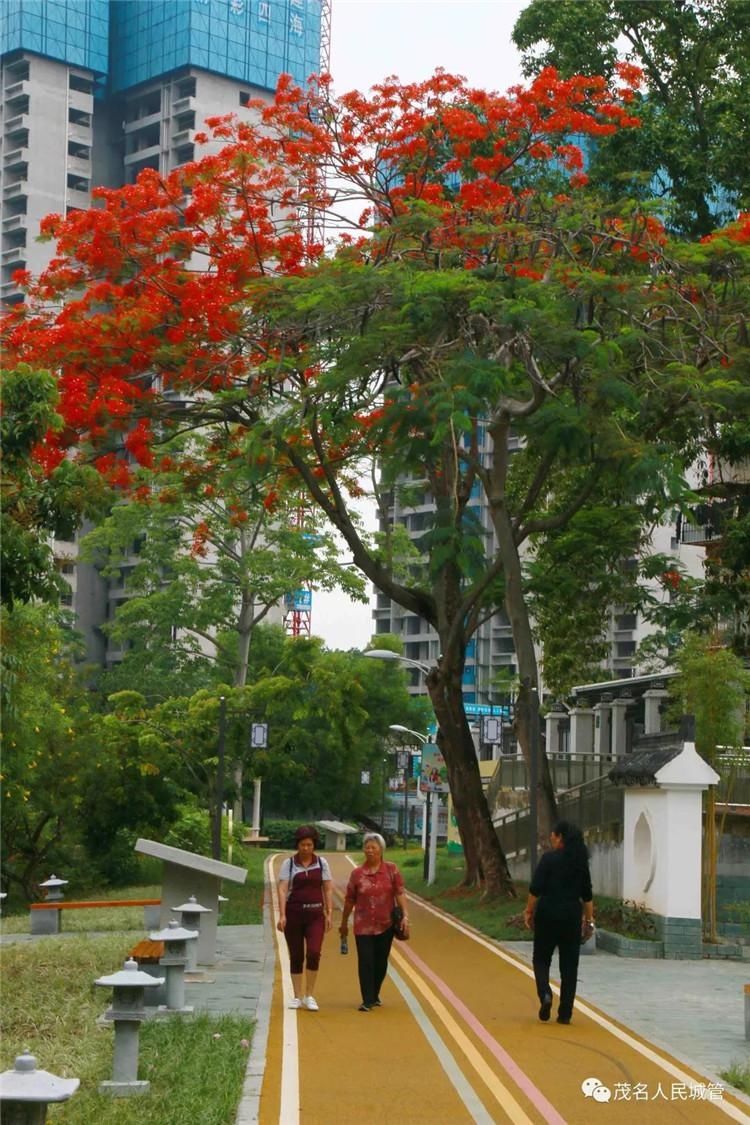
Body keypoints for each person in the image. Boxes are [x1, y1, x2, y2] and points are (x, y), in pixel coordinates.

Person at [524, 819, 594, 1025]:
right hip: (571, 915)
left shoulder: (548, 860)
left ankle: (545, 994)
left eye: (553, 836)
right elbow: (587, 897)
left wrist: (529, 911)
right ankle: (565, 1013)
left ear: (561, 837)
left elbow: (534, 890)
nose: (551, 839)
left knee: (541, 959)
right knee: (569, 966)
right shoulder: (580, 863)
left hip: (547, 913)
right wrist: (588, 921)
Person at [339, 832, 410, 1011]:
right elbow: (349, 899)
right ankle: (367, 999)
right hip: (363, 926)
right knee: (365, 961)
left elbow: (400, 892)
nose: (370, 851)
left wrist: (405, 915)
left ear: (381, 850)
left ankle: (375, 993)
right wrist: (343, 922)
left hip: (385, 924)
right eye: (367, 847)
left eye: (374, 848)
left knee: (380, 961)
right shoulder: (357, 874)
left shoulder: (391, 870)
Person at [277, 825, 333, 1011]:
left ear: (314, 844)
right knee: (296, 955)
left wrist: (329, 913)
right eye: (303, 845)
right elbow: (283, 889)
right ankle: (296, 996)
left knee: (314, 953)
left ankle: (309, 995)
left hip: (316, 915)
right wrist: (283, 914)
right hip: (294, 915)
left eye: (309, 844)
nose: (306, 848)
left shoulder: (322, 863)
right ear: (297, 845)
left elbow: (327, 888)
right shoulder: (289, 864)